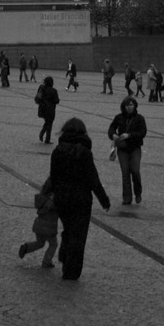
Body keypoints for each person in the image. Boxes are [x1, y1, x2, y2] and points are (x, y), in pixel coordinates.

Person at [45, 118, 110, 280]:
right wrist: (104, 200)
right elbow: (92, 179)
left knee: (68, 228)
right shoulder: (85, 153)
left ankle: (65, 255)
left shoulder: (58, 150)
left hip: (62, 199)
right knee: (78, 235)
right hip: (81, 200)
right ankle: (71, 271)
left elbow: (53, 176)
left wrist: (51, 195)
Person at [107, 96, 148, 205]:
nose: (129, 107)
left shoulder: (139, 118)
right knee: (125, 173)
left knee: (135, 171)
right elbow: (111, 128)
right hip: (123, 148)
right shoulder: (119, 117)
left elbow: (142, 132)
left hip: (135, 148)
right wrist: (113, 135)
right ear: (123, 106)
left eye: (131, 105)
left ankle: (138, 192)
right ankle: (127, 198)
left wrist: (129, 135)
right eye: (127, 105)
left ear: (134, 106)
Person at [17, 188, 59, 269]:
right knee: (53, 244)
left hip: (38, 226)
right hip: (49, 229)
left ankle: (26, 247)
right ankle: (46, 262)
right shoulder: (53, 204)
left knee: (40, 243)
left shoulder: (43, 200)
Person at [35, 75, 60, 143]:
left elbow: (38, 97)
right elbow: (57, 101)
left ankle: (46, 137)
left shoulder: (41, 88)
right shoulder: (54, 91)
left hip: (42, 109)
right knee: (49, 123)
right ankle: (44, 136)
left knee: (47, 122)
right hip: (50, 110)